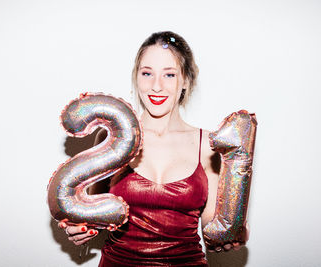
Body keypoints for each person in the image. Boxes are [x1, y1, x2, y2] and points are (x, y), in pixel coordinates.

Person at [58, 31, 247, 266]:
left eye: (169, 74)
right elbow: (89, 211)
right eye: (147, 73)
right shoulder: (113, 138)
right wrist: (80, 229)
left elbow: (212, 226)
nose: (156, 86)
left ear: (186, 80)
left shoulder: (209, 145)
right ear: (136, 77)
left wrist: (233, 229)